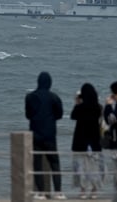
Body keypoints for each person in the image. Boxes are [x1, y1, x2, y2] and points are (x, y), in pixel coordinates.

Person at [25, 72, 66, 200]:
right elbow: (59, 114)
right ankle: (58, 192)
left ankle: (41, 193)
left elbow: (28, 115)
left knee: (37, 164)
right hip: (50, 135)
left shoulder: (30, 97)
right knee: (54, 162)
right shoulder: (54, 97)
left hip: (35, 134)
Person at [70, 83, 105, 199]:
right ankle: (94, 191)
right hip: (94, 141)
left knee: (81, 166)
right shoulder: (98, 108)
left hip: (81, 140)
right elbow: (102, 121)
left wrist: (77, 103)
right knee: (94, 165)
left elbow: (73, 116)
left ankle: (83, 191)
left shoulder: (80, 107)